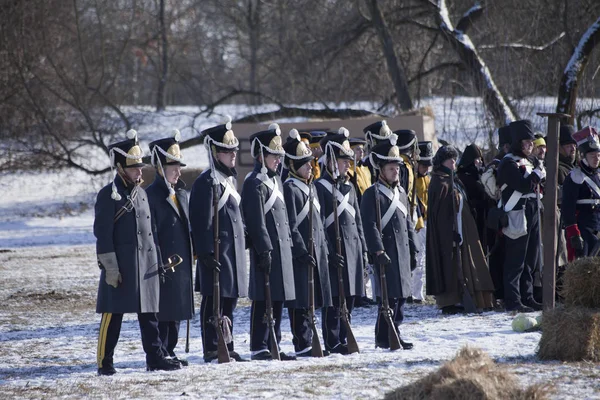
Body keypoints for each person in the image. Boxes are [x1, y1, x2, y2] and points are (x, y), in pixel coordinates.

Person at [95, 130, 180, 375]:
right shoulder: (107, 195)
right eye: (134, 169)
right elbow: (102, 235)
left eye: (140, 168)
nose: (140, 172)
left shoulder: (141, 193)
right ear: (120, 168)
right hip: (121, 267)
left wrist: (158, 263)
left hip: (146, 265)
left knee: (149, 316)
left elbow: (151, 232)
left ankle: (154, 358)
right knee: (113, 317)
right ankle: (105, 361)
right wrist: (111, 268)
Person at [189, 117, 249, 363]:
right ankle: (212, 346)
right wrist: (204, 253)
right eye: (227, 151)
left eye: (233, 150)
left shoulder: (228, 181)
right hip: (215, 252)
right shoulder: (206, 182)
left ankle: (227, 343)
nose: (233, 154)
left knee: (229, 301)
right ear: (215, 152)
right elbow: (200, 221)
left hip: (231, 251)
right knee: (213, 301)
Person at [241, 123, 297, 361]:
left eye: (279, 155)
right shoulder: (253, 182)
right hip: (266, 250)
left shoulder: (276, 181)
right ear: (261, 155)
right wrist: (264, 249)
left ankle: (274, 341)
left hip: (281, 249)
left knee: (278, 299)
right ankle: (259, 345)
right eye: (274, 155)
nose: (277, 160)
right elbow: (256, 222)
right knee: (264, 300)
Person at [361, 138, 417, 350]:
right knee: (388, 299)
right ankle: (384, 336)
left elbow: (408, 223)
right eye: (391, 168)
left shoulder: (401, 193)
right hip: (386, 252)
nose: (396, 172)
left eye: (397, 168)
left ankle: (396, 330)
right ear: (381, 170)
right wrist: (377, 250)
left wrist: (413, 247)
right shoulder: (371, 194)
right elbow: (370, 225)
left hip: (402, 251)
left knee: (401, 297)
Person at [316, 127, 368, 354]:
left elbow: (358, 222)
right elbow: (318, 225)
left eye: (349, 160)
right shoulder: (319, 187)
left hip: (353, 248)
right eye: (343, 160)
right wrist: (328, 252)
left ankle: (345, 335)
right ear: (331, 160)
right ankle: (333, 339)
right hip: (334, 250)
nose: (348, 164)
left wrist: (363, 250)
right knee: (334, 299)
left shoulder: (350, 187)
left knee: (350, 296)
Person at [426, 145, 495, 314]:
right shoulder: (439, 182)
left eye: (455, 160)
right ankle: (451, 301)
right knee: (450, 265)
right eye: (451, 161)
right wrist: (450, 232)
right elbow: (441, 214)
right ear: (443, 162)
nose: (454, 164)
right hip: (449, 234)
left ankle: (473, 297)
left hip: (465, 229)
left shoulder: (453, 180)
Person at [282, 129, 333, 357]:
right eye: (305, 164)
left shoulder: (311, 186)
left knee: (314, 300)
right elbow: (291, 225)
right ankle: (302, 342)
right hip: (301, 254)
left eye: (310, 162)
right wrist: (301, 250)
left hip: (318, 250)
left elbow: (320, 223)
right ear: (294, 166)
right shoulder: (290, 188)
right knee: (301, 301)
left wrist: (326, 248)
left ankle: (312, 340)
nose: (311, 166)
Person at [146, 129, 194, 367]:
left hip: (181, 261)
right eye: (173, 166)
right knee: (163, 310)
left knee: (176, 308)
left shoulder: (180, 193)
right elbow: (152, 232)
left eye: (179, 166)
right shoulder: (151, 196)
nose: (178, 170)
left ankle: (170, 349)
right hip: (164, 261)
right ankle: (161, 350)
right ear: (160, 168)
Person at [497, 120, 545, 312]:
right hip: (517, 212)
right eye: (526, 142)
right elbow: (523, 185)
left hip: (532, 210)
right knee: (516, 260)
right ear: (517, 142)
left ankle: (528, 296)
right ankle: (513, 300)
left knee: (530, 260)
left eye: (531, 142)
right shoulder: (508, 163)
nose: (530, 145)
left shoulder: (531, 162)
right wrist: (536, 176)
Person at [563, 126, 600, 260]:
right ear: (584, 156)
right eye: (592, 155)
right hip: (583, 229)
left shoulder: (598, 176)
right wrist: (574, 233)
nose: (596, 159)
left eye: (598, 155)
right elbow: (568, 208)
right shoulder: (574, 177)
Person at [412, 141, 432, 303]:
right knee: (417, 259)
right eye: (423, 165)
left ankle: (418, 293)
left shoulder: (428, 179)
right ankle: (414, 294)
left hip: (426, 223)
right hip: (416, 223)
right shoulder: (412, 179)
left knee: (422, 259)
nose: (426, 168)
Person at [457, 144, 488, 248]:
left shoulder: (478, 176)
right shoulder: (463, 178)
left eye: (481, 159)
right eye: (477, 159)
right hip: (471, 221)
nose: (480, 162)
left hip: (482, 219)